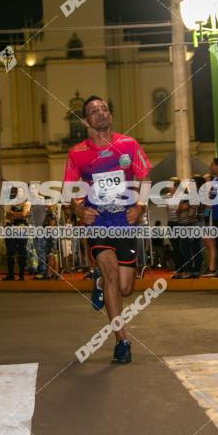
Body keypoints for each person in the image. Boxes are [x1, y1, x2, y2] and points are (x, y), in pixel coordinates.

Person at [64, 96, 151, 363]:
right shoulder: (77, 153)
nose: (100, 113)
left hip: (125, 221)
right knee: (113, 275)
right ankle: (121, 340)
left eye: (104, 109)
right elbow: (70, 190)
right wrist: (79, 209)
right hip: (98, 222)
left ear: (110, 115)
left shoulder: (128, 145)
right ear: (85, 120)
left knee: (125, 288)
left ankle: (99, 281)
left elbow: (144, 177)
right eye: (93, 111)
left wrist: (141, 205)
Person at [3, 187, 30, 280]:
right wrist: (15, 215)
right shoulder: (11, 203)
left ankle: (21, 275)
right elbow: (7, 215)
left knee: (22, 253)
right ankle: (10, 275)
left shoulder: (27, 203)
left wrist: (12, 214)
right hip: (11, 231)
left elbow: (24, 214)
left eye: (20, 192)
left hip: (22, 231)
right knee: (10, 252)